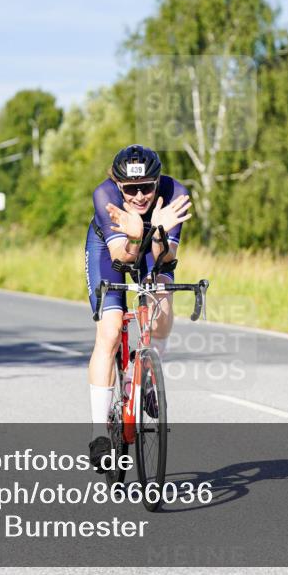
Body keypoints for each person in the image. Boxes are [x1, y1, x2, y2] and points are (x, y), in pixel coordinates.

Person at [84, 145, 192, 468]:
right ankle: (98, 434)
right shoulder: (105, 196)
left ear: (158, 181)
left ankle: (147, 375)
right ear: (118, 186)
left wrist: (158, 230)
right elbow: (122, 258)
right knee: (111, 329)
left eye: (147, 186)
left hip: (153, 245)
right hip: (110, 247)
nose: (140, 196)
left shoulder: (175, 194)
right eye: (131, 189)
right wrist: (133, 235)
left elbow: (165, 259)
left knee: (162, 302)